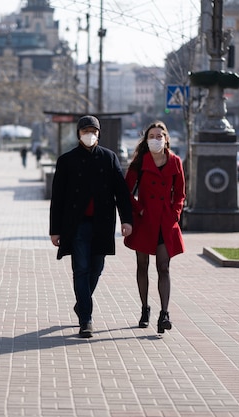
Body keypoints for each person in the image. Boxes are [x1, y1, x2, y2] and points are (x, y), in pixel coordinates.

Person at [49, 115, 133, 338]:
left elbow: (121, 193)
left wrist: (127, 219)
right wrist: (54, 229)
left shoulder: (109, 158)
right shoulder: (67, 160)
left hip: (102, 224)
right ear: (79, 134)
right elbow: (57, 198)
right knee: (81, 269)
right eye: (85, 131)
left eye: (93, 131)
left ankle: (81, 303)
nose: (90, 135)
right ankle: (86, 319)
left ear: (99, 134)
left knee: (96, 268)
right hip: (76, 225)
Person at [123, 120, 185, 334]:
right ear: (146, 140)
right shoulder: (140, 163)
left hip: (166, 222)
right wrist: (139, 209)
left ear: (166, 139)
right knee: (142, 266)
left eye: (160, 136)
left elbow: (180, 194)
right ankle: (144, 309)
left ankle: (164, 313)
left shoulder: (175, 161)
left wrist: (175, 214)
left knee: (164, 266)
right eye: (152, 136)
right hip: (144, 221)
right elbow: (126, 192)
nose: (156, 139)